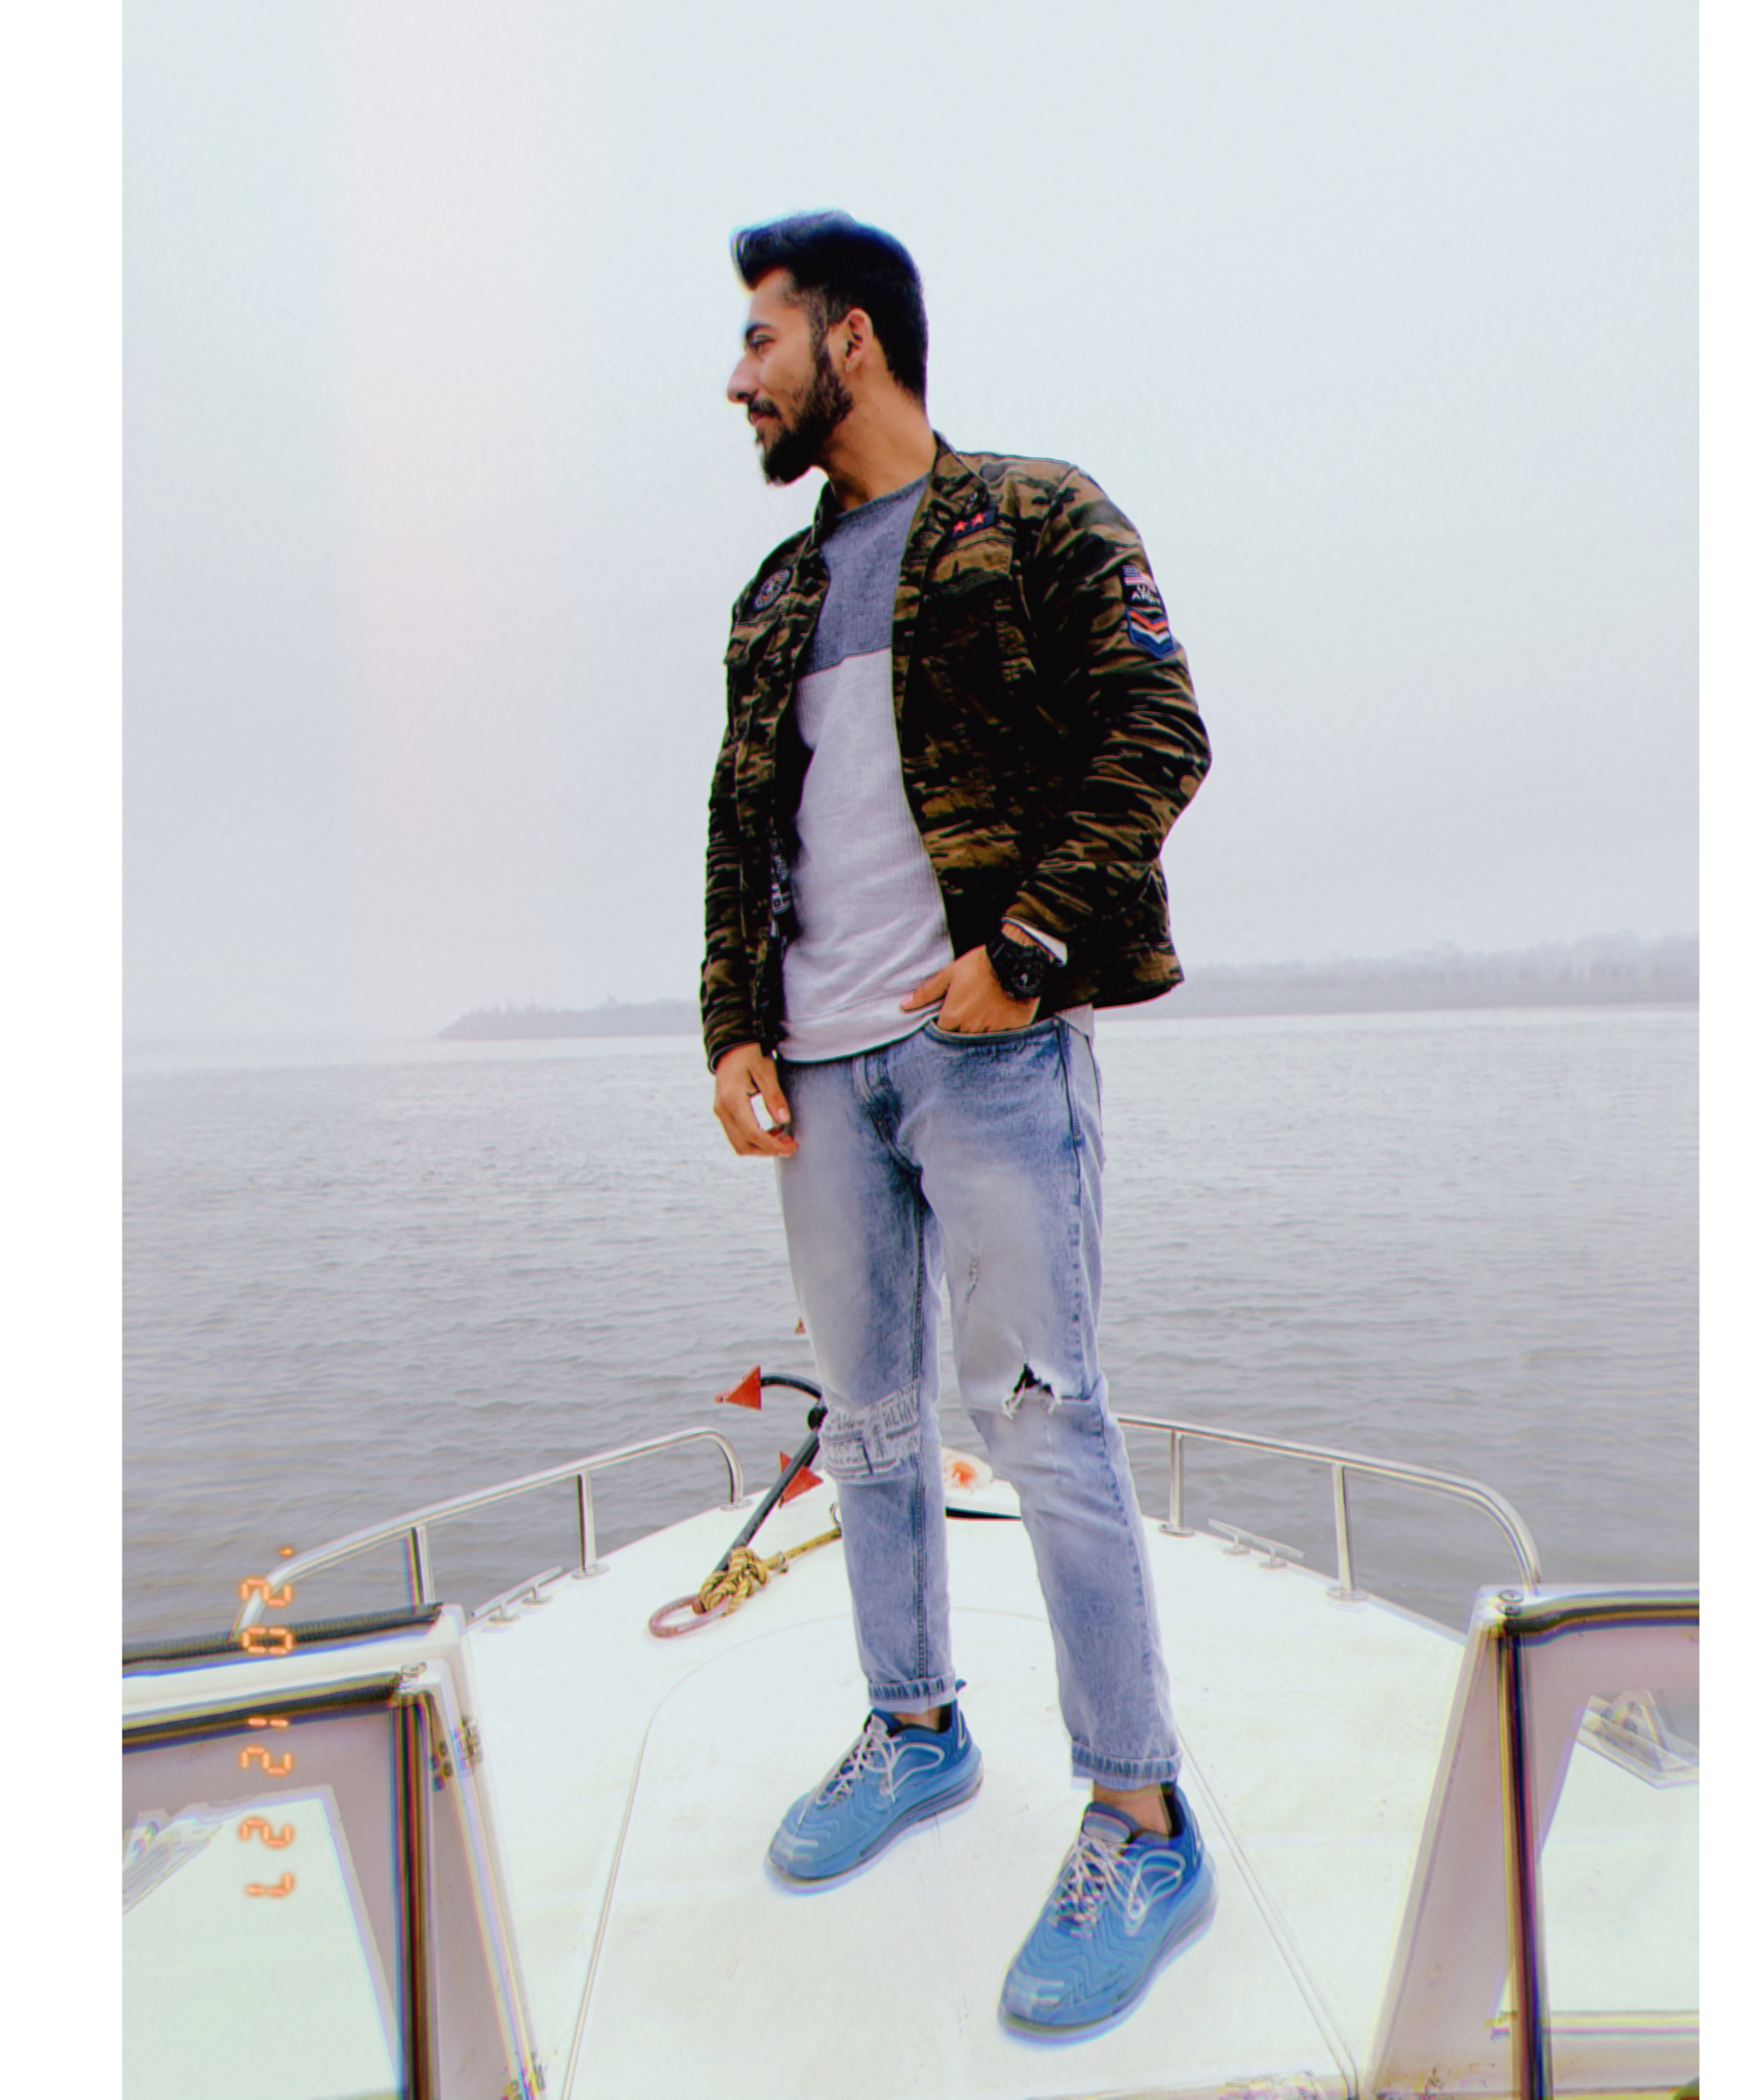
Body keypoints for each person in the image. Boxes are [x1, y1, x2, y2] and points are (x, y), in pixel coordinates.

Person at [700, 210, 1213, 2036]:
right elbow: (737, 827)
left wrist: (1026, 950)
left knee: (1045, 1422)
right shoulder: (772, 596)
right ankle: (915, 1729)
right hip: (820, 1072)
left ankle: (1142, 1820)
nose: (736, 378)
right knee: (867, 1424)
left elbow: (1157, 734)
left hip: (986, 1052)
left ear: (850, 337)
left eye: (759, 339)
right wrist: (731, 1027)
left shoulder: (1038, 513)